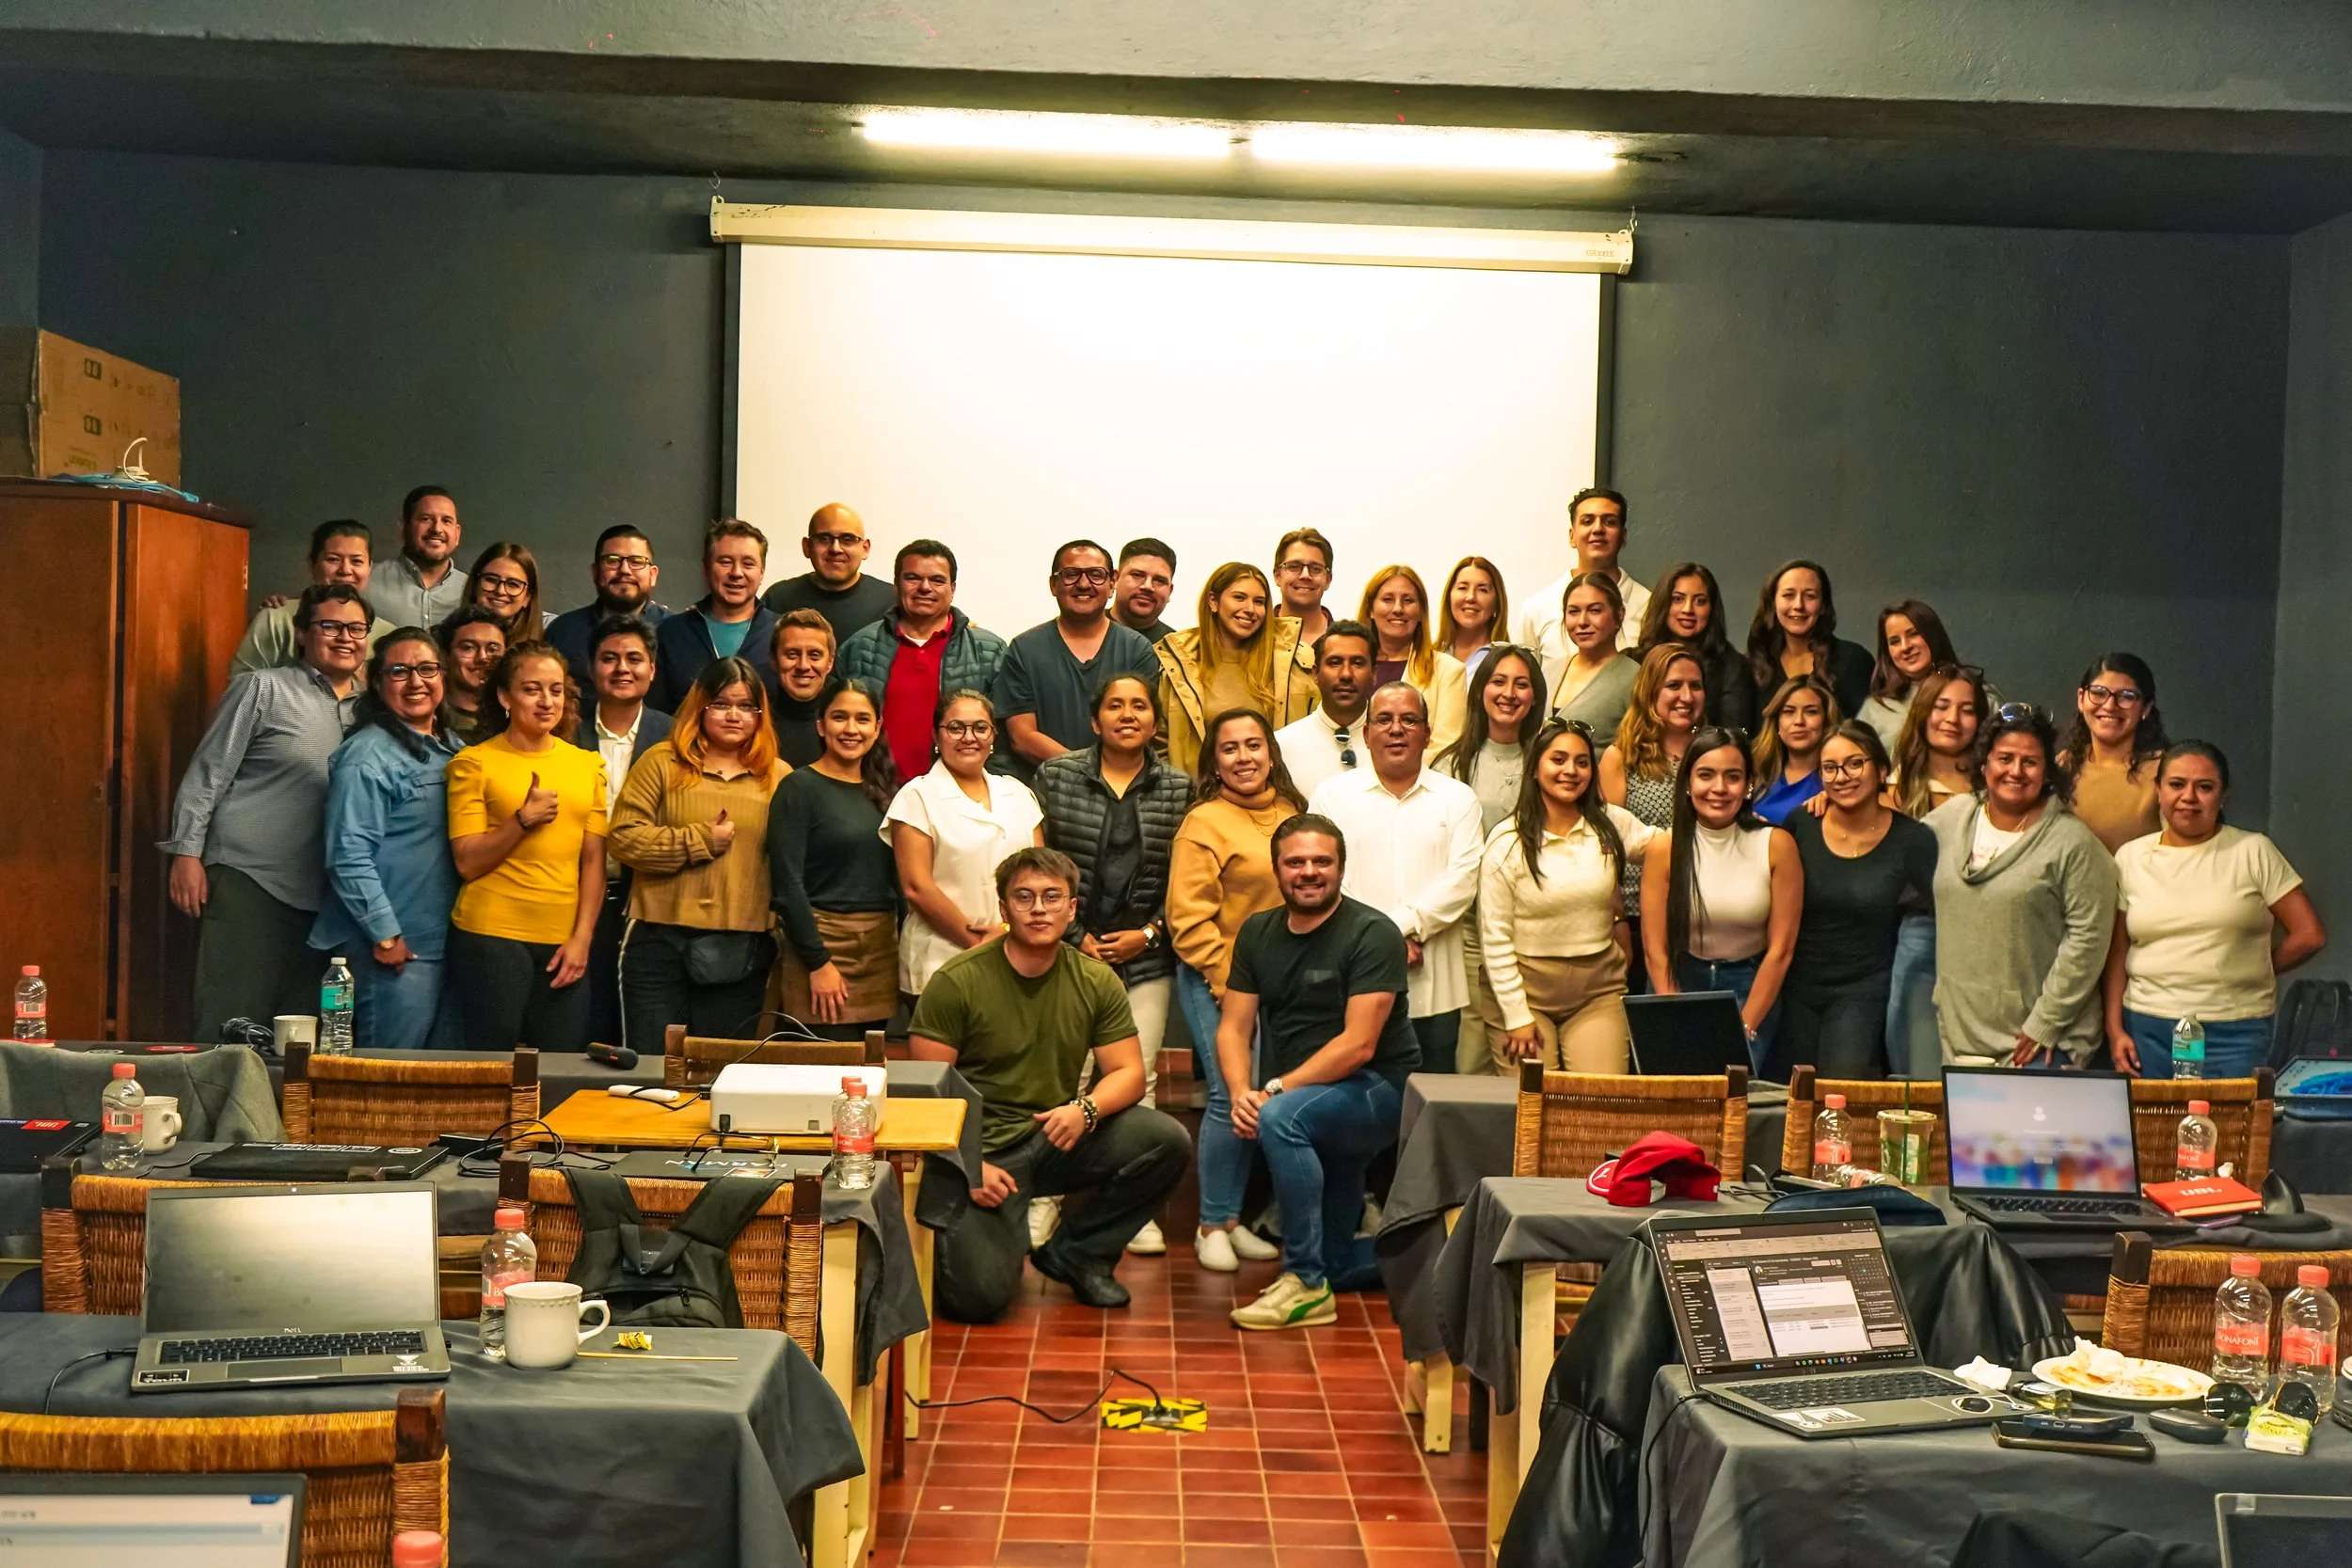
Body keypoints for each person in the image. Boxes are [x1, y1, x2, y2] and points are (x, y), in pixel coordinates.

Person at [910, 847, 1193, 1320]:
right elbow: (923, 1091)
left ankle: (1078, 1255)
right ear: (1003, 909)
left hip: (1054, 1134)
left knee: (1165, 1139)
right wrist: (967, 1165)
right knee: (978, 1301)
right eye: (1024, 898)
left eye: (1051, 897)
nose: (1039, 909)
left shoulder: (1096, 980)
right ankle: (984, 1231)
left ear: (1072, 908)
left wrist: (1086, 1110)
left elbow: (1128, 1073)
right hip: (983, 1152)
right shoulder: (957, 981)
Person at [1221, 816, 1422, 1330]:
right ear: (1277, 869)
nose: (1309, 872)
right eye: (1296, 862)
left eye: (1321, 862)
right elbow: (1233, 1027)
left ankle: (1305, 1283)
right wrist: (1241, 1093)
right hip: (1312, 1094)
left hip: (1379, 1089)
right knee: (1340, 1262)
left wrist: (1272, 1091)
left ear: (1340, 868)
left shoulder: (1372, 932)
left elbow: (1359, 1045)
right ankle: (1438, 1259)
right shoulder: (1257, 932)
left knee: (1284, 1118)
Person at [163, 583, 368, 1040]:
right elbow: (207, 773)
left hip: (329, 900)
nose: (345, 637)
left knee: (304, 1038)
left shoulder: (373, 706)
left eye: (357, 628)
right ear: (301, 633)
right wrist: (186, 854)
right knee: (232, 1024)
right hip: (250, 880)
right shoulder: (263, 688)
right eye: (330, 626)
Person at [1035, 674, 1193, 1254]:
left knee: (1139, 1079)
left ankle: (1135, 1209)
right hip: (1070, 953)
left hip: (1146, 956)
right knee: (1067, 1073)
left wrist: (1148, 936)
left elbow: (1186, 880)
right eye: (1115, 706)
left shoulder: (1179, 786)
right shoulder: (1058, 776)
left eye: (1140, 706)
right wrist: (1075, 936)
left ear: (1155, 722)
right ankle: (1043, 1199)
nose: (1128, 715)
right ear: (1096, 719)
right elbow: (1042, 862)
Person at [1167, 708, 1302, 1273]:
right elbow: (1187, 918)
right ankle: (1211, 1224)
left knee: (1263, 1096)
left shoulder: (1295, 813)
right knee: (1229, 1092)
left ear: (1271, 753)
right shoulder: (1204, 822)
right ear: (1213, 763)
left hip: (1282, 984)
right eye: (1230, 749)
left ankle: (1235, 1219)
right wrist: (1228, 986)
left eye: (1254, 745)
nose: (1244, 757)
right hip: (1215, 977)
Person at [2106, 741, 2326, 1079]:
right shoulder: (2130, 858)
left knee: (2229, 1130)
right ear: (2159, 791)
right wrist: (2114, 1028)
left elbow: (2309, 935)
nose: (2189, 797)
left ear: (2223, 796)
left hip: (2235, 1031)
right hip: (2147, 1029)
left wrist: (2255, 968)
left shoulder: (2253, 851)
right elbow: (2119, 950)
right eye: (2177, 784)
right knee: (2153, 1130)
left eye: (2204, 787)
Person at [607, 657, 789, 1053]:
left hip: (742, 947)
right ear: (700, 706)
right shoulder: (661, 761)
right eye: (722, 704)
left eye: (746, 707)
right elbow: (622, 838)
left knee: (719, 1076)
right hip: (658, 941)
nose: (734, 716)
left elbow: (792, 865)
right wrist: (698, 841)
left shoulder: (778, 776)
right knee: (652, 1069)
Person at [1925, 704, 2117, 1068]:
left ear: (2046, 771)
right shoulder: (1952, 818)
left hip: (2040, 1042)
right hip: (1960, 1033)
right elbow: (1892, 844)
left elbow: (2088, 940)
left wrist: (2047, 1022)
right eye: (2005, 759)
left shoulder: (2073, 844)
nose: (2015, 771)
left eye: (2029, 762)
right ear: (1985, 765)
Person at [1308, 684, 1483, 1074]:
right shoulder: (1331, 797)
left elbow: (1462, 882)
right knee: (1355, 1105)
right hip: (1351, 982)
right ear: (1366, 734)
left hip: (1437, 990)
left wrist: (1391, 929)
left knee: (1432, 1111)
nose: (1396, 729)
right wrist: (1386, 943)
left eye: (1409, 719)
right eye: (1384, 720)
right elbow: (1325, 881)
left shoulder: (1458, 799)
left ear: (1427, 732)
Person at [445, 641, 609, 1053]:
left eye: (555, 690)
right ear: (505, 697)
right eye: (531, 689)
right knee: (492, 1066)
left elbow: (593, 861)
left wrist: (583, 938)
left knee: (561, 1067)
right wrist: (522, 821)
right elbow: (466, 862)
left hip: (564, 939)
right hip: (491, 933)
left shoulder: (587, 765)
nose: (545, 701)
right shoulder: (474, 763)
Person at [1478, 718, 1661, 1072]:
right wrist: (1516, 1017)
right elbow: (1494, 937)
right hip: (1524, 992)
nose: (1571, 771)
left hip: (1598, 990)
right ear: (1535, 768)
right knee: (1534, 1107)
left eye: (1581, 762)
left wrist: (1741, 828)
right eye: (1558, 760)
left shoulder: (1611, 823)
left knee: (1599, 1106)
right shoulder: (1506, 841)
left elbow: (1665, 847)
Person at [310, 630, 464, 1050]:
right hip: (391, 950)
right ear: (376, 683)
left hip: (441, 944)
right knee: (384, 1082)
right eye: (399, 671)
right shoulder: (367, 756)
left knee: (428, 1089)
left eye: (427, 669)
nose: (416, 681)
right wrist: (385, 935)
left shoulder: (452, 749)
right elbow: (348, 854)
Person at [1777, 723, 1936, 1079]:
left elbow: (1943, 918)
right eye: (1829, 768)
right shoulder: (1801, 823)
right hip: (1794, 990)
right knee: (1787, 1104)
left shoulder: (1913, 840)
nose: (1841, 777)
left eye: (1854, 764)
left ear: (1881, 770)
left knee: (1839, 1102)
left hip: (1862, 992)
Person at [1640, 726, 1802, 1071]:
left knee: (1735, 1103)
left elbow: (1781, 950)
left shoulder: (1776, 844)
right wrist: (1673, 1016)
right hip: (1682, 983)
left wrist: (1744, 1025)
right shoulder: (1664, 848)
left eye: (1732, 777)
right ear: (1687, 783)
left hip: (1751, 986)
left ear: (1748, 785)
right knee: (1680, 1100)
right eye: (1705, 775)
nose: (1719, 788)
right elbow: (1655, 949)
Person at [884, 690, 1044, 998]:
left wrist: (1012, 936)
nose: (969, 737)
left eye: (980, 728)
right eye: (956, 727)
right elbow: (916, 886)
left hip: (1017, 956)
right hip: (942, 960)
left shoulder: (1018, 793)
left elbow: (1039, 873)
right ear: (936, 735)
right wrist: (980, 944)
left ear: (993, 736)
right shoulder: (917, 796)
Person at [769, 676, 902, 1040]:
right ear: (820, 725)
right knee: (822, 1077)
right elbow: (786, 884)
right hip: (820, 947)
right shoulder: (798, 788)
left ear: (877, 728)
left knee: (869, 1077)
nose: (851, 729)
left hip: (880, 951)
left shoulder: (889, 792)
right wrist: (818, 962)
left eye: (862, 719)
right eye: (839, 717)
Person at [1883, 662, 1989, 1078]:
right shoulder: (1897, 784)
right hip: (1922, 929)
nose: (1952, 719)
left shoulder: (1997, 783)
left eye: (1966, 709)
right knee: (1917, 1055)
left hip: (1984, 930)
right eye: (1942, 706)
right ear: (1923, 711)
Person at [571, 615, 671, 1052]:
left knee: (637, 1029)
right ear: (592, 667)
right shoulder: (564, 730)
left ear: (653, 669)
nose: (622, 669)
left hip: (645, 901)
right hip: (572, 896)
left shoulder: (674, 735)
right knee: (581, 1020)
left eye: (634, 659)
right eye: (609, 659)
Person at [835, 540, 1008, 784]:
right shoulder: (860, 647)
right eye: (913, 578)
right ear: (896, 585)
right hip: (871, 792)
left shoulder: (989, 651)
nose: (925, 587)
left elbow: (1005, 741)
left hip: (957, 797)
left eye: (937, 580)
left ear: (953, 588)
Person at [994, 540, 1161, 782]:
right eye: (1071, 575)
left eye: (1096, 575)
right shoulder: (1024, 648)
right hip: (1043, 791)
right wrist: (1088, 774)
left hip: (1121, 792)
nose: (1084, 584)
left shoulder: (1137, 650)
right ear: (1054, 584)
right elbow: (1022, 737)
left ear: (1112, 583)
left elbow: (1140, 729)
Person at [1155, 562, 1320, 776]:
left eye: (1259, 602)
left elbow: (1315, 731)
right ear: (1213, 601)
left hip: (1275, 798)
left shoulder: (1294, 662)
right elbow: (1160, 743)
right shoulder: (1178, 663)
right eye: (1239, 598)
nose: (1250, 610)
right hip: (1197, 799)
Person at [1601, 643, 1708, 941]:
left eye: (1695, 686)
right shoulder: (1621, 757)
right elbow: (1608, 849)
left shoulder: (1715, 752)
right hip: (1639, 912)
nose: (1686, 697)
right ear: (1650, 691)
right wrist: (1617, 917)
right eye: (1674, 685)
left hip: (1707, 908)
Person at [230, 520, 397, 675]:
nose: (345, 570)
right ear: (312, 563)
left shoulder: (388, 634)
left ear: (369, 567)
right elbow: (242, 683)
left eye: (357, 561)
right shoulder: (276, 619)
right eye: (333, 559)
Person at [653, 518, 782, 714]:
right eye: (725, 562)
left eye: (748, 564)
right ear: (706, 568)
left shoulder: (781, 634)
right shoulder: (670, 633)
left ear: (762, 572)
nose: (736, 573)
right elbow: (656, 711)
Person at [1517, 486, 1649, 662]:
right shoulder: (1537, 609)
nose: (1598, 529)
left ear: (1623, 537)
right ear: (1572, 536)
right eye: (1587, 521)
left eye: (1609, 522)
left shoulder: (1649, 606)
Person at [2059, 652, 2170, 853]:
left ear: (2146, 707)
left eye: (2127, 697)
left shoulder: (2165, 771)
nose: (2110, 706)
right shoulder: (2063, 765)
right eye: (2099, 693)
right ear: (2081, 699)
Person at [1359, 563, 1470, 756]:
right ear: (1371, 609)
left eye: (1408, 600)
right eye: (1387, 599)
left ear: (1420, 612)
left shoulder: (1448, 671)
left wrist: (1395, 777)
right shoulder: (1351, 667)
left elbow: (1445, 749)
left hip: (1418, 781)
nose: (1398, 609)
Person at [1744, 560, 1873, 721]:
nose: (1799, 605)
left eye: (1810, 596)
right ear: (1773, 602)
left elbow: (1866, 732)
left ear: (1823, 605)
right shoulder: (1754, 666)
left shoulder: (1853, 660)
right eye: (1788, 595)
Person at [1634, 562, 1755, 733]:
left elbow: (1733, 737)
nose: (1688, 609)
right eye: (1678, 599)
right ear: (1663, 604)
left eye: (1700, 601)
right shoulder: (1635, 661)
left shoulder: (1733, 667)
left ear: (1712, 609)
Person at [545, 525, 671, 679]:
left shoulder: (676, 632)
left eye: (637, 562)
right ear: (595, 572)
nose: (625, 570)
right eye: (613, 561)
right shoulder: (563, 631)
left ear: (653, 575)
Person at [760, 501, 897, 642]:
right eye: (824, 539)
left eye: (847, 539)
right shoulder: (777, 599)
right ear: (807, 547)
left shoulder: (891, 602)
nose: (835, 549)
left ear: (865, 548)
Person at [1274, 620, 1376, 799]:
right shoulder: (1282, 745)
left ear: (1374, 674)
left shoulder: (1395, 743)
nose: (1346, 674)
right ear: (1315, 674)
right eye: (1335, 662)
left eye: (1358, 663)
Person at [1547, 573, 1639, 742]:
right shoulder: (1549, 669)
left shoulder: (1635, 678)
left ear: (1619, 615)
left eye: (1595, 610)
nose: (1582, 621)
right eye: (1573, 612)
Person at [1859, 600, 1958, 753]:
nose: (1905, 647)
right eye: (1895, 642)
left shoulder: (1974, 694)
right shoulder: (1874, 709)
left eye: (1914, 634)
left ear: (1933, 636)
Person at [366, 485, 467, 628]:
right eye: (426, 519)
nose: (437, 529)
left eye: (446, 521)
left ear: (457, 534)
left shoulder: (472, 590)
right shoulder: (367, 581)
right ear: (403, 528)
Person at [1749, 673, 1838, 826]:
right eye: (1789, 712)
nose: (1799, 721)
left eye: (1811, 712)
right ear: (1777, 723)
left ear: (1826, 721)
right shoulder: (1755, 770)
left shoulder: (1840, 778)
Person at [435, 541, 545, 641]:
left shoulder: (545, 644)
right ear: (475, 585)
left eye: (513, 584)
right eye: (491, 579)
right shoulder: (441, 641)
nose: (500, 591)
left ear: (527, 597)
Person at [770, 609, 835, 767]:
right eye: (792, 654)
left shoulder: (848, 722)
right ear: (773, 660)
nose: (803, 666)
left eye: (815, 655)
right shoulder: (755, 720)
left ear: (830, 662)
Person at [437, 609, 508, 748]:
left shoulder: (516, 718)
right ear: (444, 657)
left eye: (493, 649)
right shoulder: (430, 720)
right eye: (468, 648)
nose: (483, 658)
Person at [1436, 555, 1509, 679]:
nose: (1470, 597)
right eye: (1463, 588)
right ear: (1449, 597)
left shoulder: (1508, 663)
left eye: (1482, 590)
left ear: (1497, 602)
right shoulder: (1429, 658)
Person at [1272, 527, 1337, 646]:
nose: (1305, 575)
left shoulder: (1347, 643)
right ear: (1277, 576)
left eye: (1316, 569)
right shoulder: (1254, 636)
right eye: (1294, 567)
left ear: (1328, 580)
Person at [1111, 538, 1179, 643]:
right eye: (1137, 575)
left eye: (1159, 580)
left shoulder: (1178, 651)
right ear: (1115, 579)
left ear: (1170, 591)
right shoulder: (1082, 630)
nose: (1147, 586)